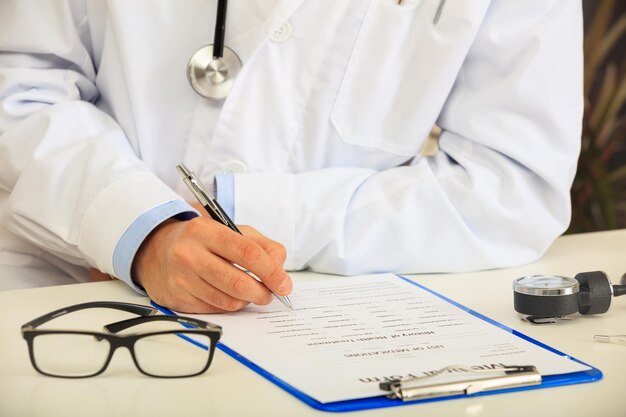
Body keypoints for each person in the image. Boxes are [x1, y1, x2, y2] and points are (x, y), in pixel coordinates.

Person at [0, 0, 583, 313]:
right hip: (62, 276)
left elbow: (513, 183)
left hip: (312, 309)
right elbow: (21, 83)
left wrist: (256, 215)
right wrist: (138, 229)